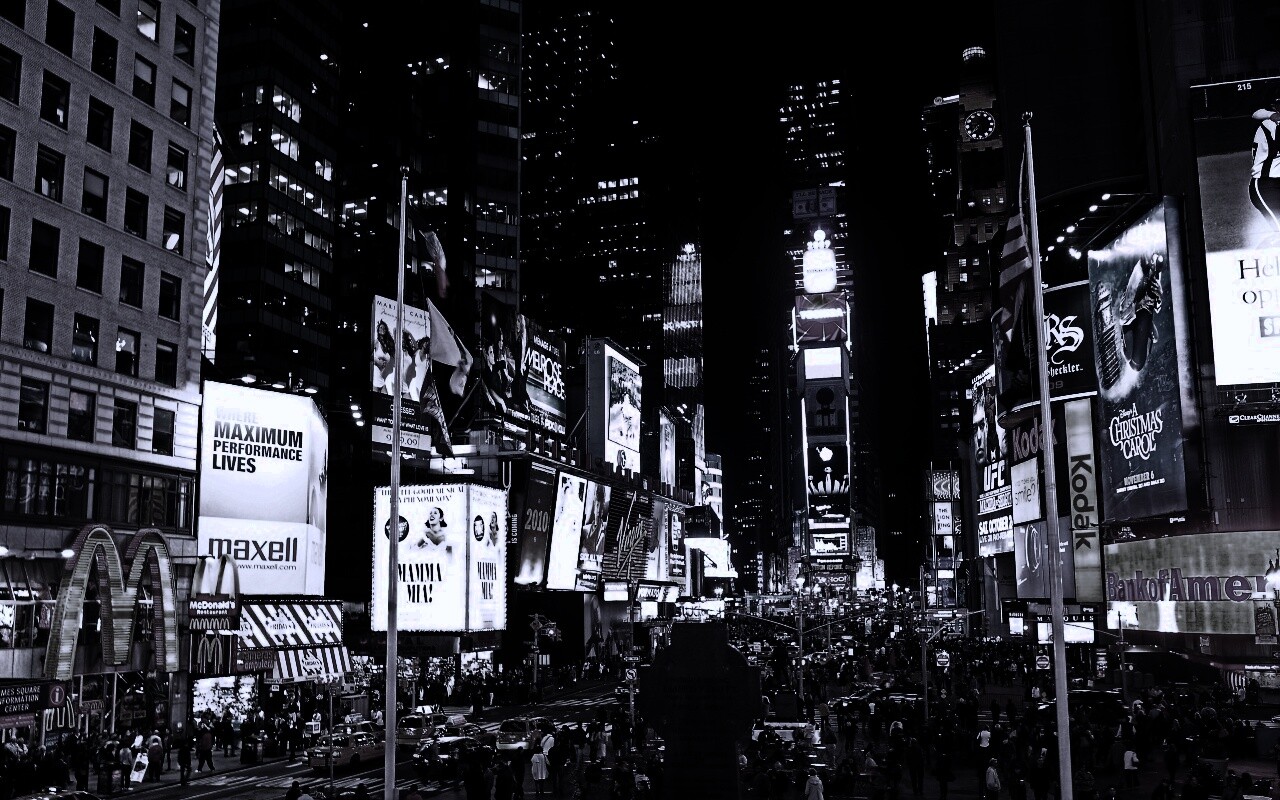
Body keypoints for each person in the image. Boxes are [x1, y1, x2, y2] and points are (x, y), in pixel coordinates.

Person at [1252, 96, 1280, 245]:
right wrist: (1271, 115)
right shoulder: (1270, 124)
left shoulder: (1270, 119)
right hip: (1265, 186)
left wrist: (1270, 114)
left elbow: (1257, 113)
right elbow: (1256, 113)